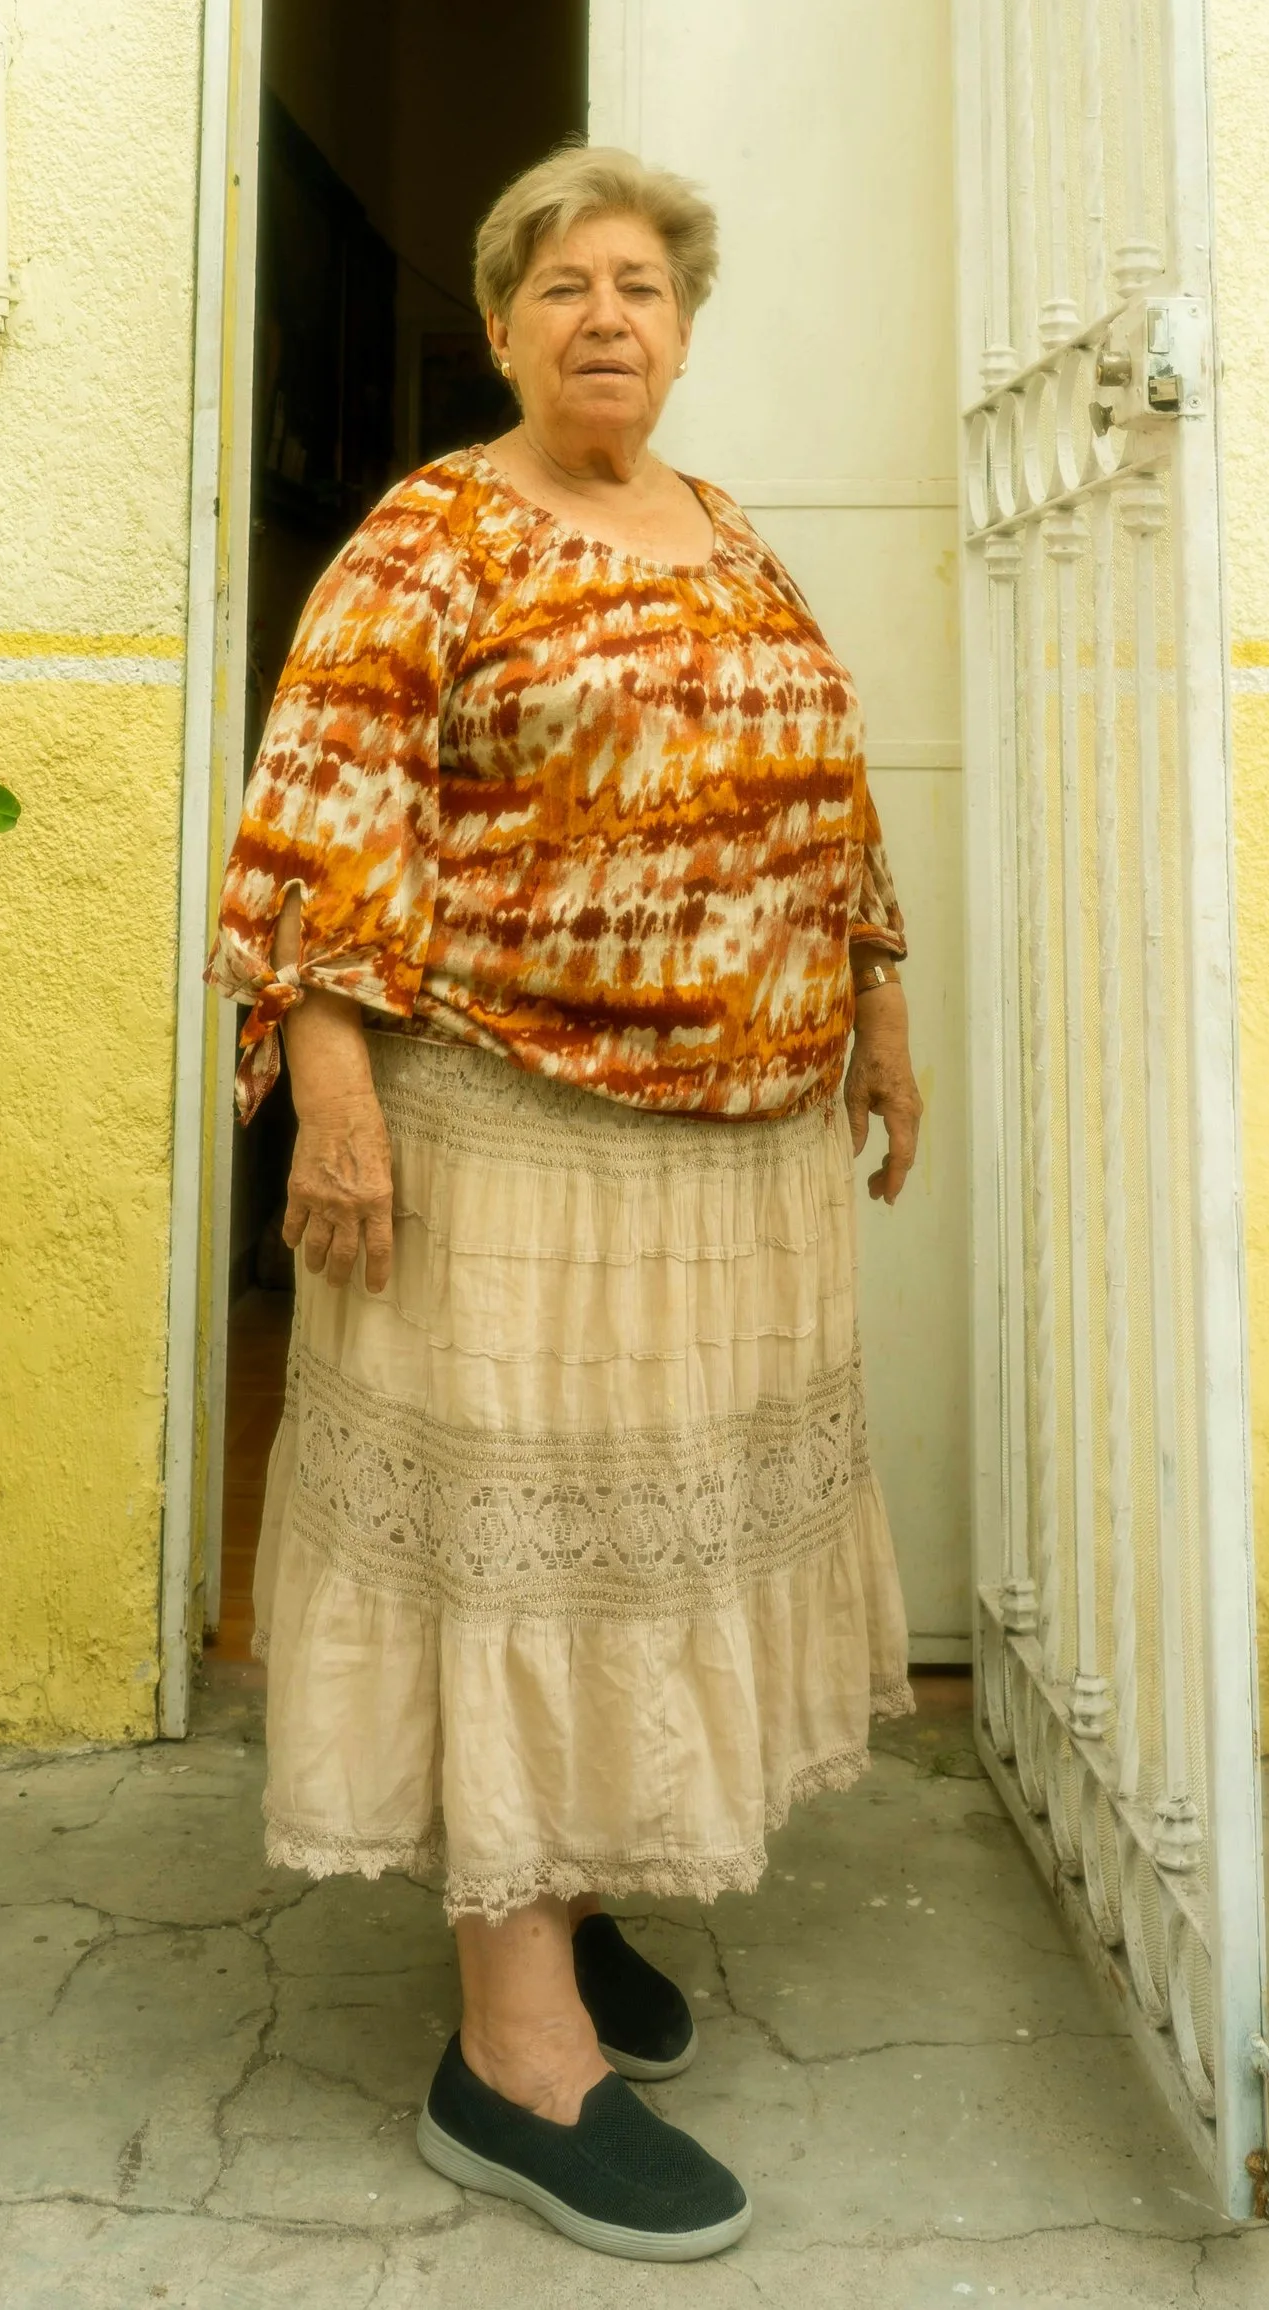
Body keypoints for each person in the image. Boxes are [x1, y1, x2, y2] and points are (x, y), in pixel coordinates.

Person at [212, 142, 923, 2263]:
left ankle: (568, 1894)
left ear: (683, 330)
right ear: (504, 321)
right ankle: (507, 2052)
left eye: (643, 285)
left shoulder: (722, 531)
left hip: (738, 1136)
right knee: (522, 1562)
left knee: (634, 1547)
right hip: (503, 1129)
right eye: (564, 284)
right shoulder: (433, 531)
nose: (607, 315)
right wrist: (332, 1101)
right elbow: (316, 818)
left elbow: (824, 792)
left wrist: (874, 1004)